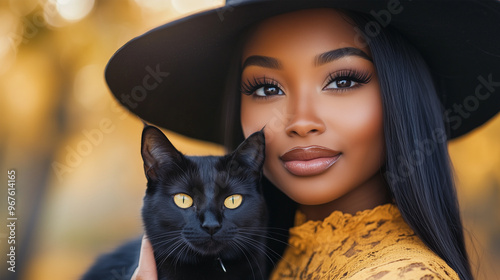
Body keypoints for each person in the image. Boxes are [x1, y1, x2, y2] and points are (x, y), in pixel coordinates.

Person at [104, 1, 500, 279]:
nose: (301, 121)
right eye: (265, 88)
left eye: (343, 80)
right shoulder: (277, 258)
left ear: (401, 93)